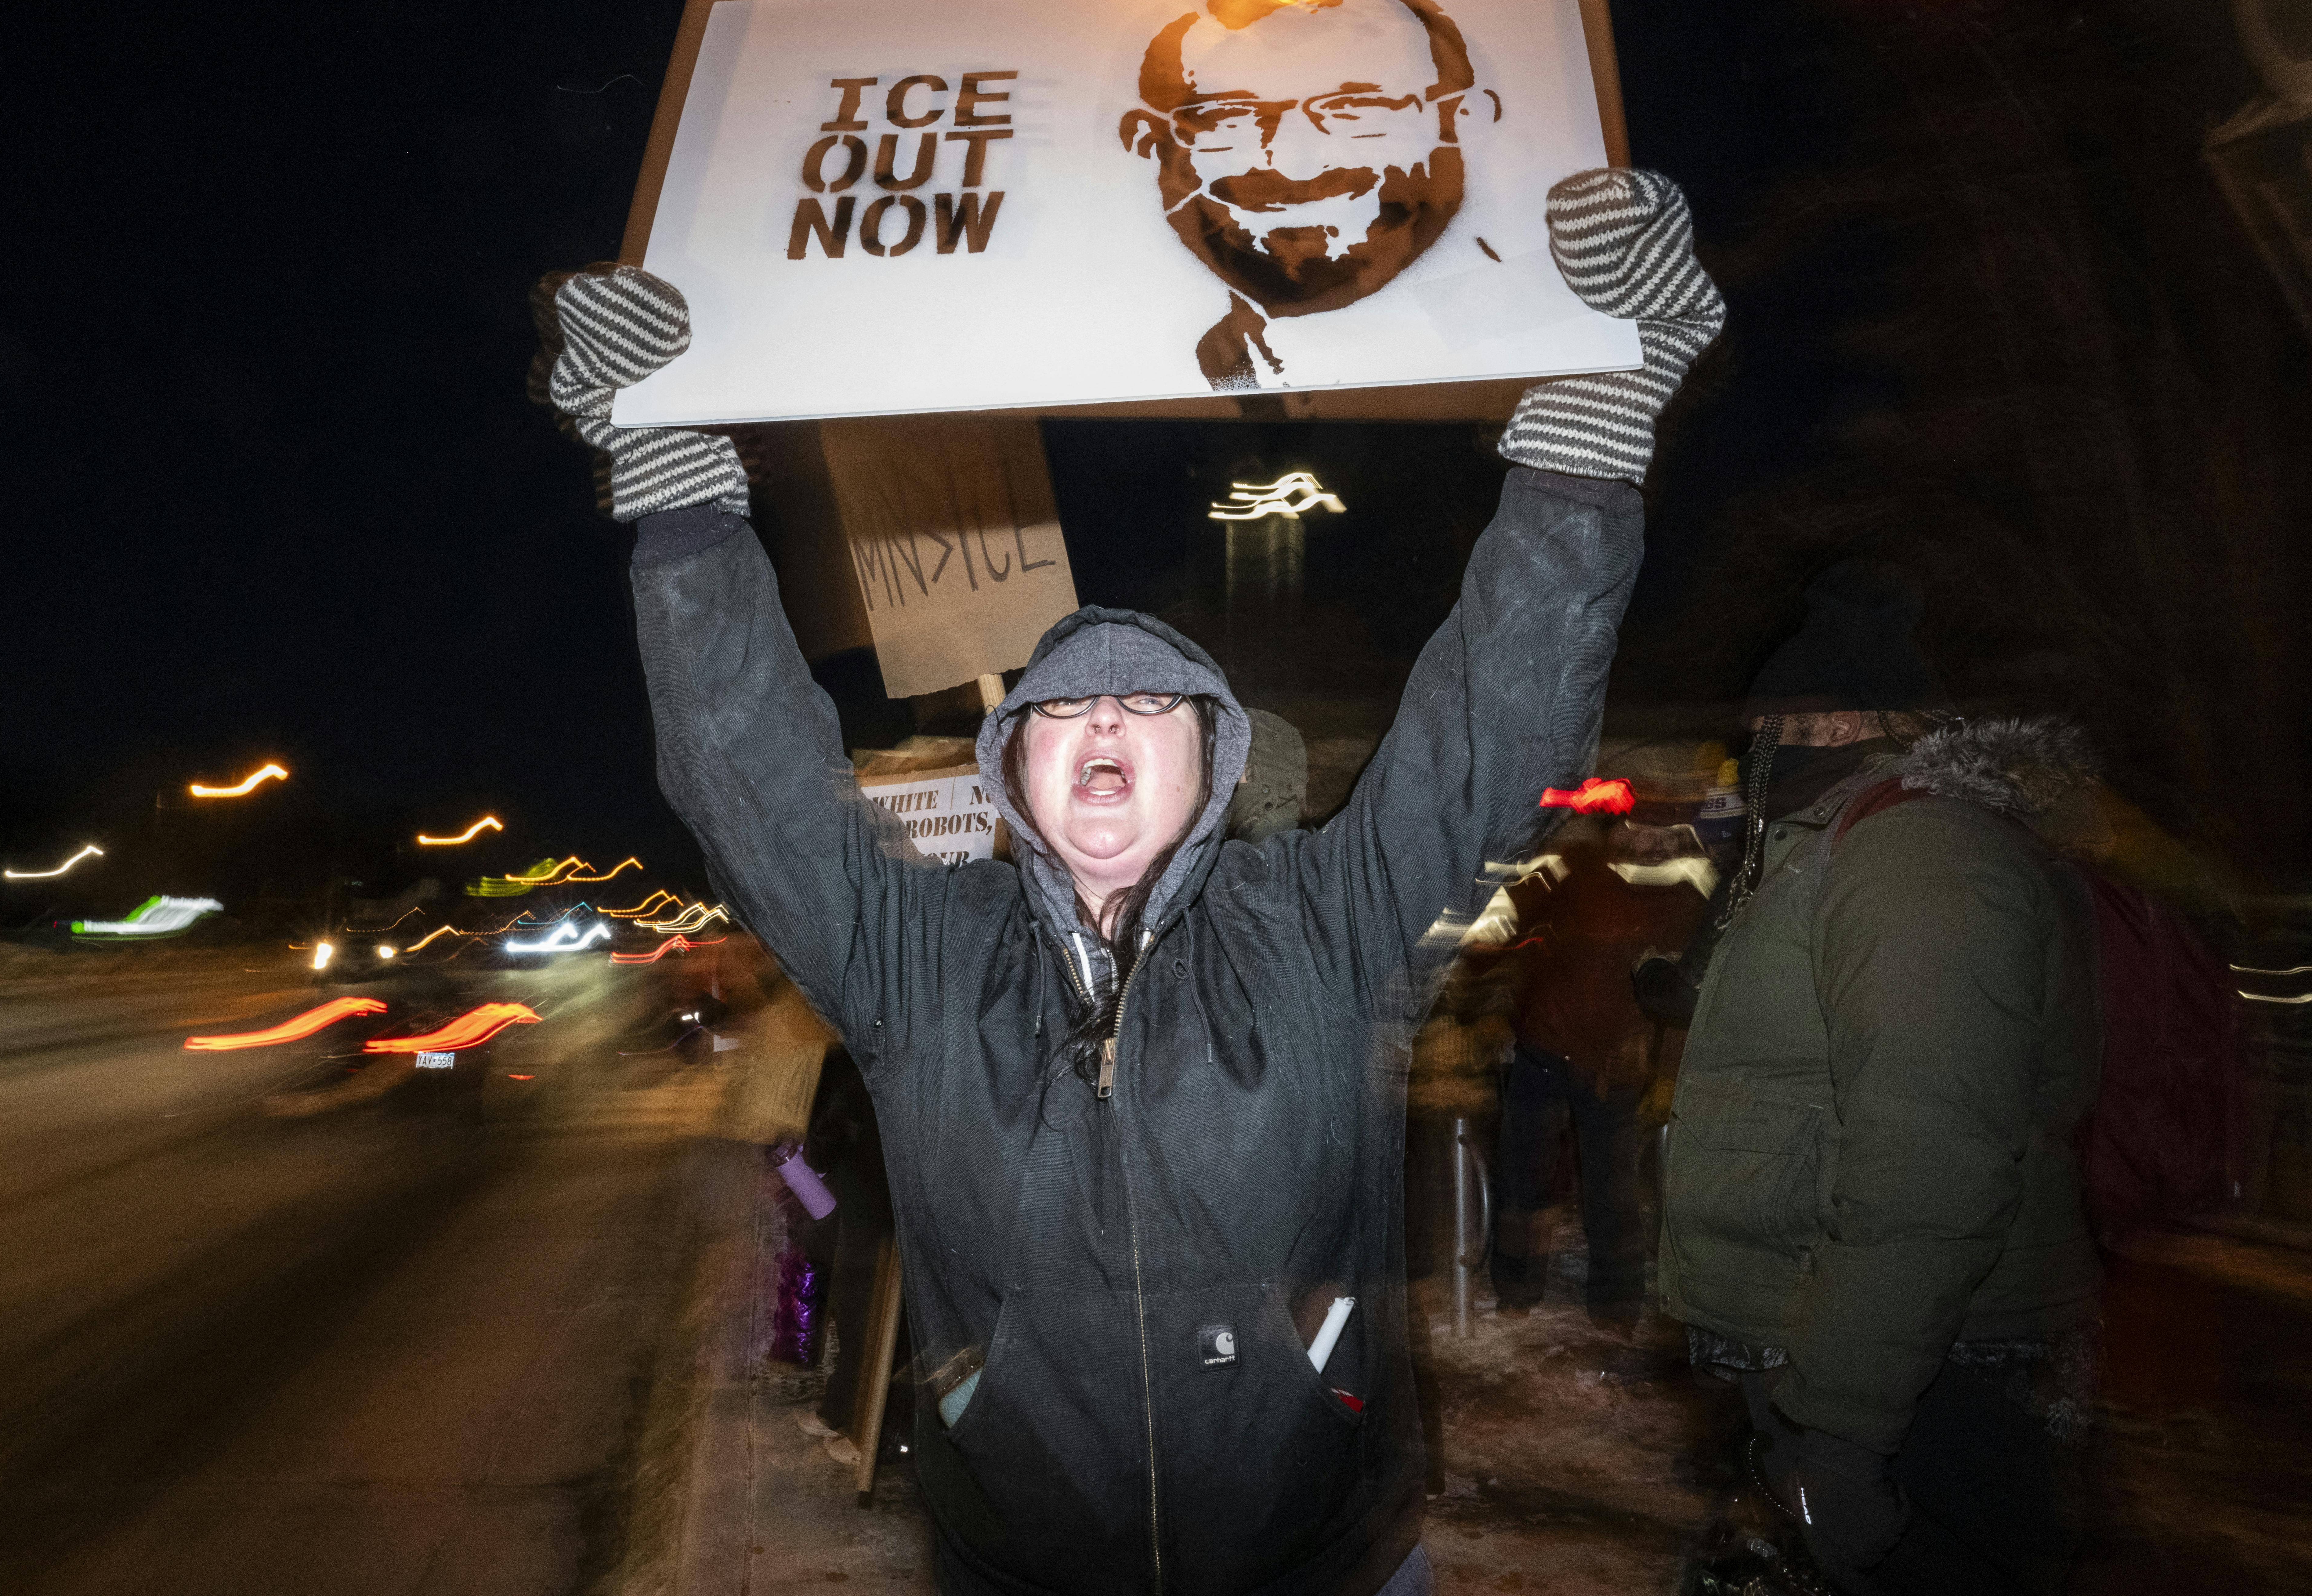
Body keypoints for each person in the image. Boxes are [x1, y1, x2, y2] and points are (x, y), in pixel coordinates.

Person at [540, 168, 1721, 1594]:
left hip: (1316, 1558)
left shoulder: (1320, 932)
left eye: (1149, 707)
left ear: (1211, 761)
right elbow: (750, 778)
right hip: (1025, 1564)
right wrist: (677, 489)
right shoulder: (920, 966)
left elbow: (1491, 724)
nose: (1102, 725)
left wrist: (1605, 410)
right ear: (1015, 769)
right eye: (1063, 711)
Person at [1657, 560, 2103, 1596]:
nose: (1759, 750)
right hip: (1849, 1346)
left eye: (1778, 725)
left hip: (1922, 1379)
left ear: (1841, 718)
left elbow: (1930, 1161)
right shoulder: (1843, 846)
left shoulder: (1917, 855)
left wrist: (1844, 1428)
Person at [1119, 0, 1494, 392]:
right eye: (1232, 122)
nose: (1292, 166)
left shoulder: (1520, 334)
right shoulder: (1154, 350)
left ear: (1465, 121)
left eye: (1355, 114)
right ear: (1154, 145)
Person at [1485, 788, 1713, 1333]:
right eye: (1642, 830)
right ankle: (1516, 1290)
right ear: (1620, 829)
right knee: (1524, 1182)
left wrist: (1663, 1068)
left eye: (1664, 835)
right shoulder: (1574, 872)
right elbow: (1508, 924)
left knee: (1613, 1195)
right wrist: (1500, 997)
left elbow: (1688, 991)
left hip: (1616, 1070)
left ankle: (1615, 1308)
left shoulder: (1685, 900)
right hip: (1543, 1051)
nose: (1651, 845)